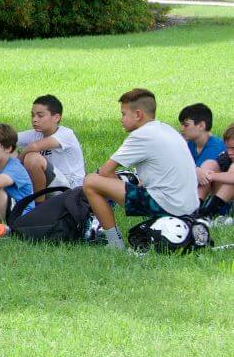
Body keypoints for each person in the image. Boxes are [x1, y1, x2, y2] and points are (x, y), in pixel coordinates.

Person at [80, 89, 199, 250]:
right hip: (190, 207)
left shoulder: (141, 135)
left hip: (170, 206)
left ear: (137, 114)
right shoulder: (167, 129)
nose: (120, 119)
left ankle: (115, 244)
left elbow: (105, 172)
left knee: (91, 181)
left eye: (123, 114)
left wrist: (123, 196)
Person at [16, 94, 85, 198]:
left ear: (56, 117)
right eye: (33, 115)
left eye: (40, 115)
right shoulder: (36, 133)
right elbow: (8, 139)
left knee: (32, 158)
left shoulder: (66, 134)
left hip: (71, 190)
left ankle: (38, 204)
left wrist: (18, 163)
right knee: (7, 150)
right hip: (52, 184)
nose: (34, 119)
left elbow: (34, 147)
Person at [178, 103, 224, 203]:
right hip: (193, 193)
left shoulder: (215, 147)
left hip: (216, 198)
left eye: (186, 125)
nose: (182, 129)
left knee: (207, 168)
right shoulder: (190, 144)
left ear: (201, 126)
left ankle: (196, 211)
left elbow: (198, 178)